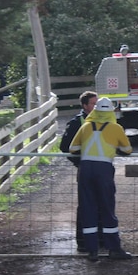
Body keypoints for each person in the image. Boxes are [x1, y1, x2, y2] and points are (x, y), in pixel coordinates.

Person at [69, 97, 134, 262]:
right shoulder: (116, 128)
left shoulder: (85, 127)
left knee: (88, 208)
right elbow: (127, 149)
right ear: (111, 112)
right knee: (106, 207)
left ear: (96, 111)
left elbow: (73, 148)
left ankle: (92, 251)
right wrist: (113, 148)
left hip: (85, 169)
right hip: (103, 169)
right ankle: (113, 248)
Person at [59, 90, 103, 252]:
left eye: (97, 103)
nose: (96, 106)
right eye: (93, 104)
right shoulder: (77, 122)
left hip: (102, 170)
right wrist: (80, 163)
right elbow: (65, 147)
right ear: (85, 106)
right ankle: (83, 241)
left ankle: (101, 238)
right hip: (86, 169)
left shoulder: (103, 120)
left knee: (103, 203)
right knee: (86, 205)